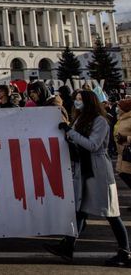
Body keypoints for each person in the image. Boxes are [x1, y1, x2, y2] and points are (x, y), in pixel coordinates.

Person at [48, 90, 131, 266]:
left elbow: (93, 145)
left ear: (90, 102)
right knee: (80, 209)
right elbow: (76, 140)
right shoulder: (80, 119)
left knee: (111, 212)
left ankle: (125, 252)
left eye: (80, 99)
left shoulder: (101, 121)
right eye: (76, 99)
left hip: (98, 169)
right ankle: (68, 245)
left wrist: (70, 132)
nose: (77, 102)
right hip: (84, 168)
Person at [113, 99, 131, 200]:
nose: (117, 109)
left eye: (119, 107)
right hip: (122, 153)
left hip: (128, 153)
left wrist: (126, 138)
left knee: (126, 175)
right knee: (122, 173)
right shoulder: (122, 118)